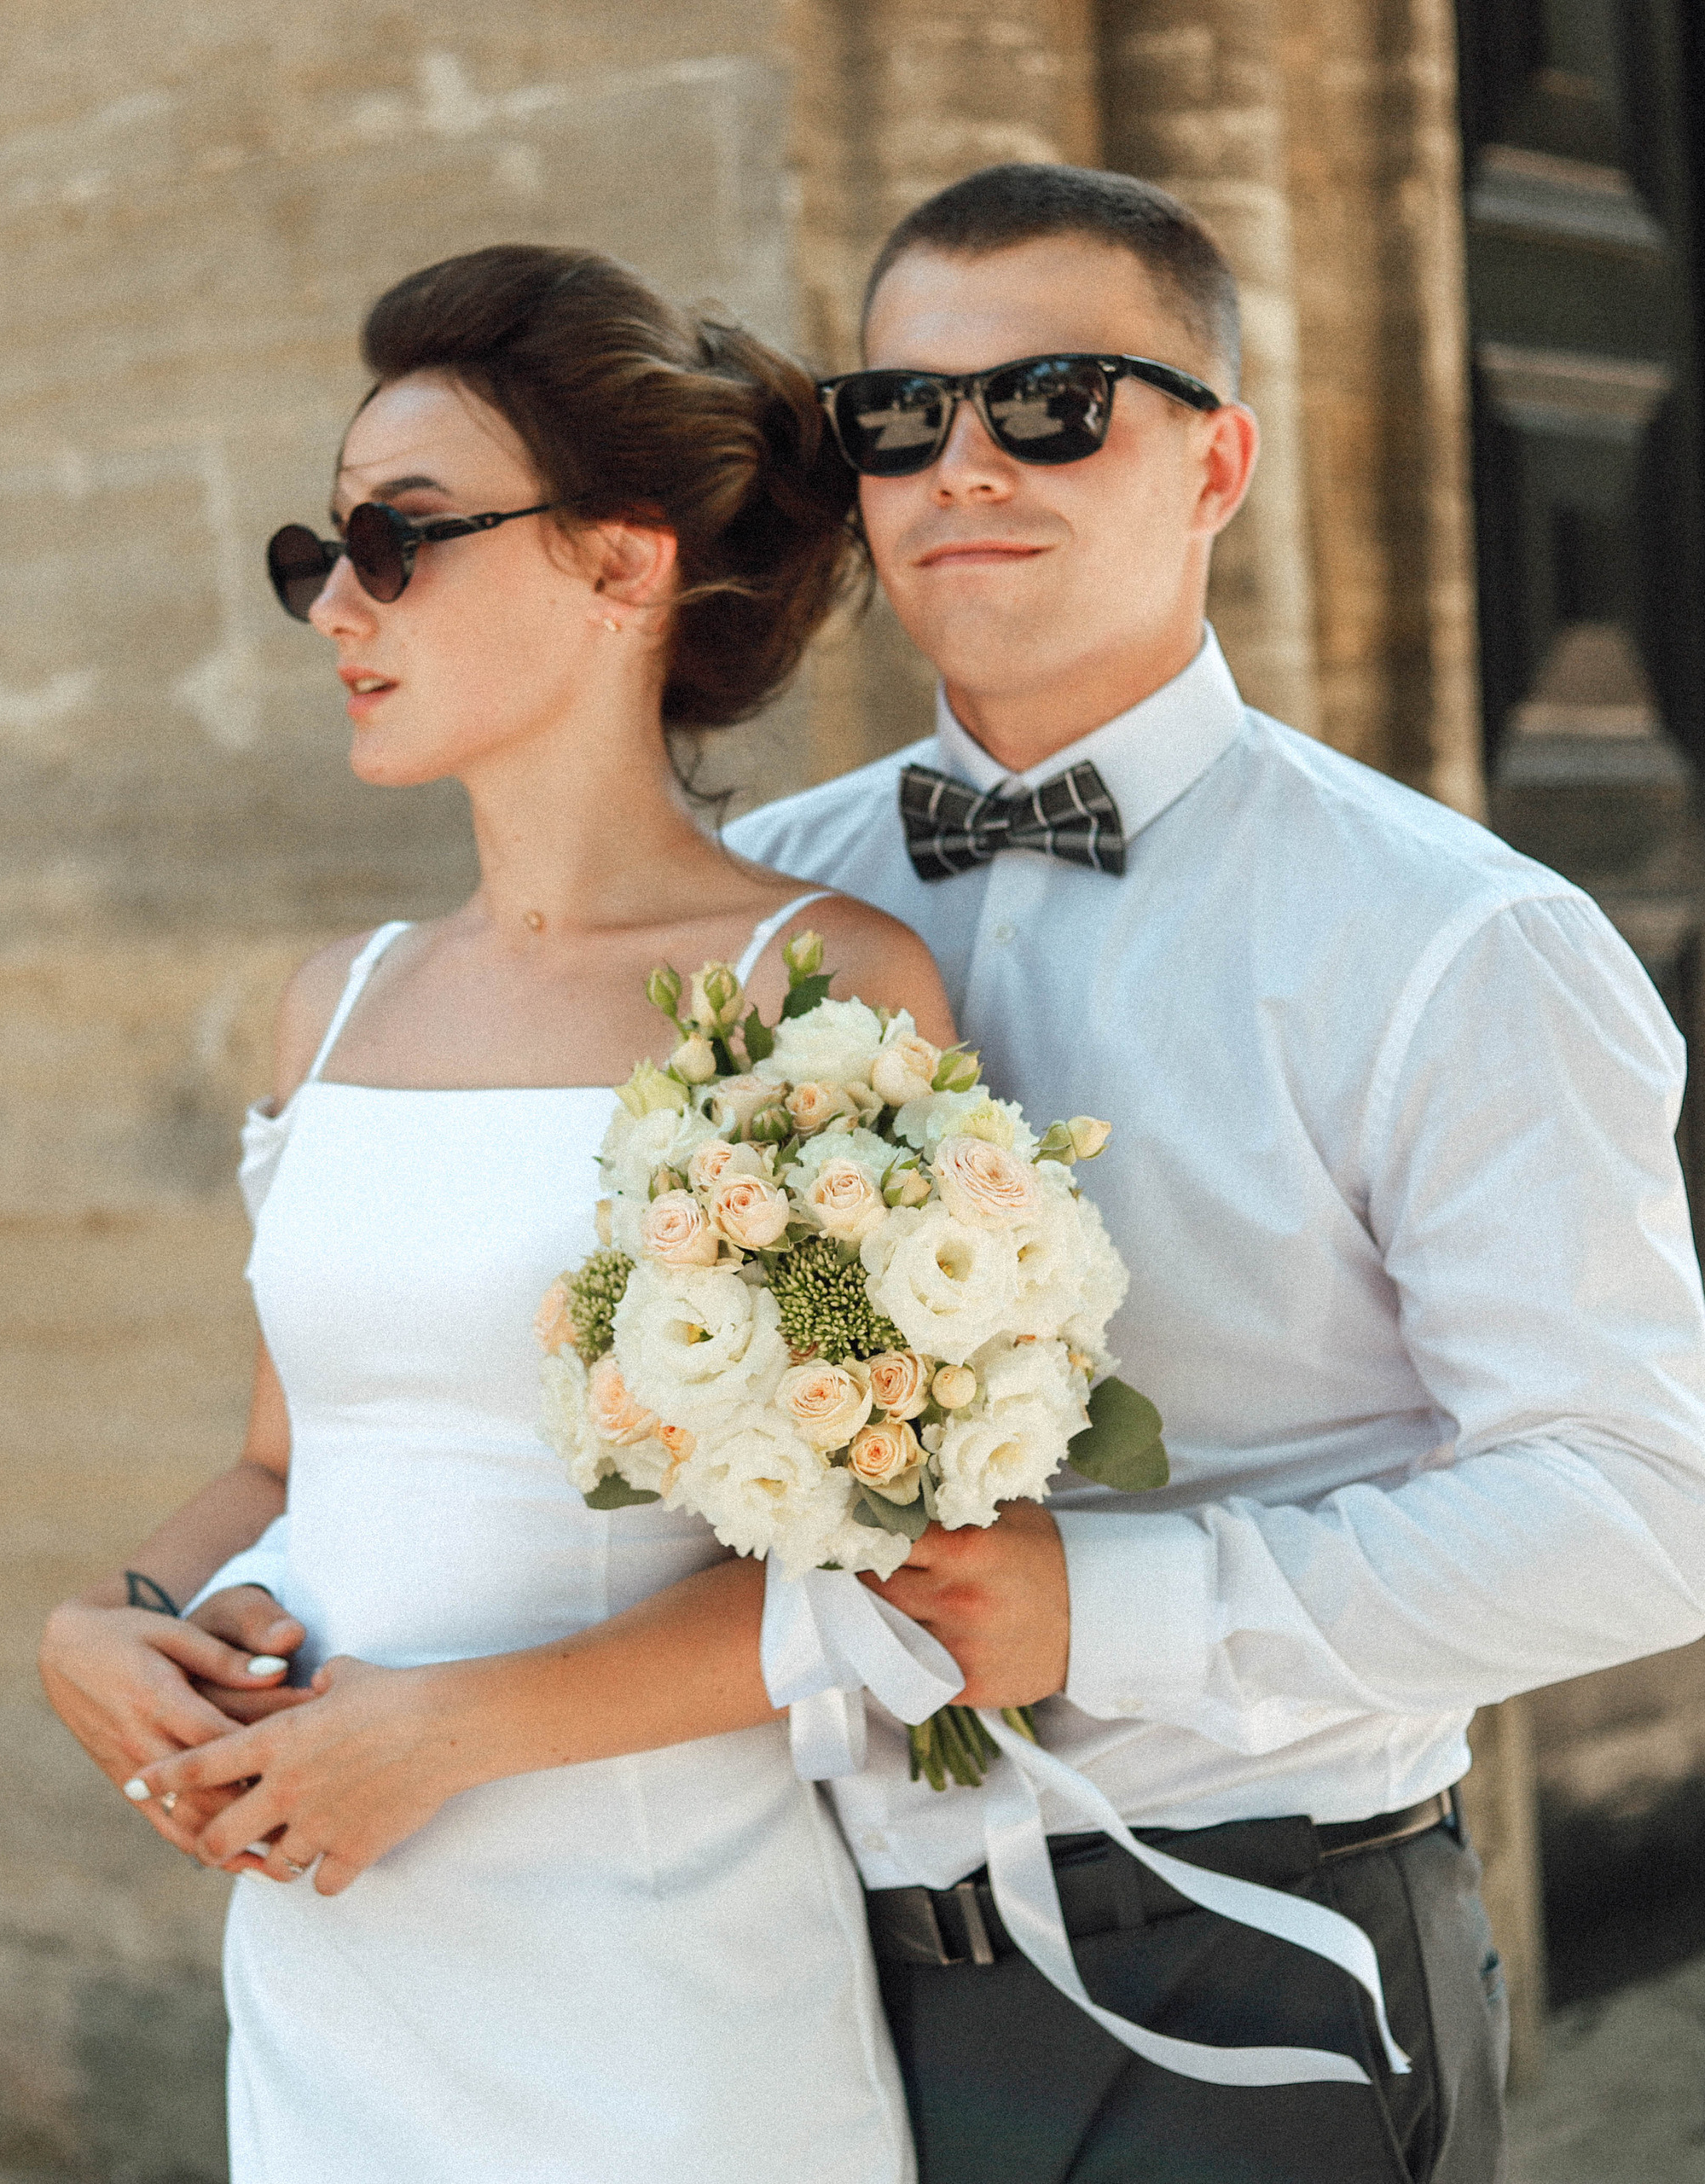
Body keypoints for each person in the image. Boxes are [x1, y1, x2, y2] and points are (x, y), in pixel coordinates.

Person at [722, 163, 1705, 2183]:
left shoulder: (1449, 937)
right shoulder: (754, 909)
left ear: (1217, 459)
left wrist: (1114, 1607)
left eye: (1053, 400)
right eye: (895, 416)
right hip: (780, 1977)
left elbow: (1638, 1507)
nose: (962, 461)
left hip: (1250, 1969)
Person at [38, 243, 952, 2182]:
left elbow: (888, 1561)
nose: (338, 603)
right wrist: (114, 1625)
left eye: (405, 536)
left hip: (651, 1985)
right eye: (323, 550)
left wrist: (436, 1736)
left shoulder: (808, 992)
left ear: (624, 564)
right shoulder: (336, 1000)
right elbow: (280, 1456)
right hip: (332, 1957)